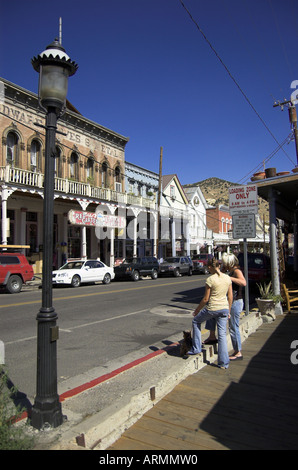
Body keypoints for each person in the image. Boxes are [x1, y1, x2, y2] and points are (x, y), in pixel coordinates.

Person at [187, 257, 233, 369]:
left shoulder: (210, 280)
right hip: (224, 309)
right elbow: (230, 296)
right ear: (219, 266)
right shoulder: (227, 278)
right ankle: (223, 363)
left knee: (196, 321)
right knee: (222, 335)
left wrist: (197, 310)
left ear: (209, 267)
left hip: (212, 308)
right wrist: (229, 311)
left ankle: (196, 348)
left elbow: (205, 299)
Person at [203, 253, 246, 360]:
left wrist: (229, 278)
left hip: (235, 302)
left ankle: (238, 352)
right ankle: (212, 336)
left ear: (229, 263)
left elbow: (243, 282)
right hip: (226, 302)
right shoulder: (228, 271)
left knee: (233, 327)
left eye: (224, 263)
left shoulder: (236, 271)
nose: (223, 264)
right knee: (212, 314)